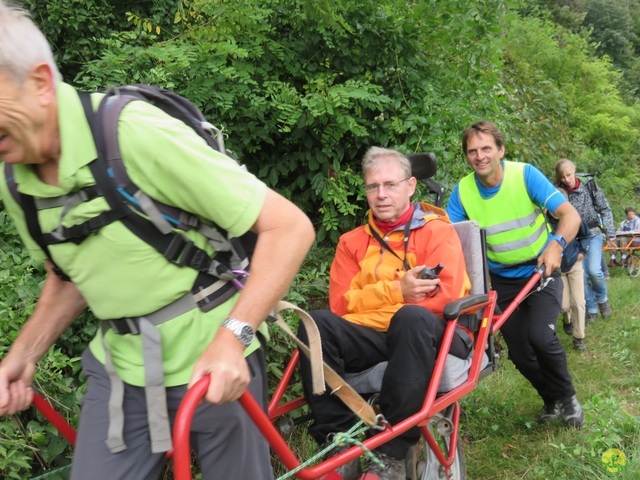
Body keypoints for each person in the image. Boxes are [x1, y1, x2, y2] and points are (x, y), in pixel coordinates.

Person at [0, 3, 315, 480]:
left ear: (41, 83)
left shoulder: (132, 134)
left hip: (212, 358)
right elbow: (70, 277)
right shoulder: (17, 179)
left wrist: (235, 338)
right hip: (121, 371)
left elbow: (289, 227)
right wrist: (23, 355)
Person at [297, 147, 472, 480]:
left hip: (434, 333)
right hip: (380, 336)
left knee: (413, 318)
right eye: (373, 186)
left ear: (410, 186)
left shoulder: (438, 232)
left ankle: (390, 452)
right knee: (317, 323)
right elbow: (340, 307)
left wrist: (376, 305)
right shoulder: (351, 242)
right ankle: (339, 441)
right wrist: (398, 293)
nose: (381, 194)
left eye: (390, 185)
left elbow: (443, 299)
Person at [446, 121, 585, 427]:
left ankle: (568, 398)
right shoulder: (463, 192)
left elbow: (570, 215)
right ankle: (550, 399)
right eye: (472, 151)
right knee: (519, 354)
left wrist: (556, 244)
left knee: (541, 336)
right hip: (503, 282)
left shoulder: (524, 175)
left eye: (486, 148)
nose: (480, 156)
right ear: (466, 156)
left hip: (541, 272)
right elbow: (448, 240)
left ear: (501, 150)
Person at [555, 159, 615, 323]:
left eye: (569, 175)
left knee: (595, 270)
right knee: (582, 275)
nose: (567, 179)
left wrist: (610, 233)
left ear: (574, 171)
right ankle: (591, 309)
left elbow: (605, 208)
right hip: (573, 237)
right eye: (563, 177)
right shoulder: (560, 192)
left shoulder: (590, 185)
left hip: (593, 233)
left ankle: (602, 300)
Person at [549, 188, 590, 351]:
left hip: (574, 264)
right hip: (557, 268)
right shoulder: (544, 221)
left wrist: (582, 252)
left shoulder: (574, 218)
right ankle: (567, 320)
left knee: (579, 303)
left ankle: (579, 337)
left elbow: (586, 236)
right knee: (564, 305)